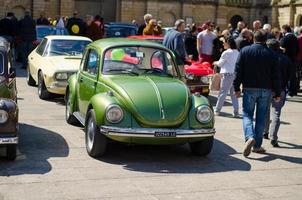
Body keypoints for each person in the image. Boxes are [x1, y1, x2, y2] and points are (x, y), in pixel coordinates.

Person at [234, 29, 281, 157]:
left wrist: (236, 88)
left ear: (253, 38)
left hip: (249, 88)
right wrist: (277, 93)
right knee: (261, 117)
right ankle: (257, 145)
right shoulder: (272, 54)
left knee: (247, 114)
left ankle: (249, 136)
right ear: (266, 40)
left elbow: (238, 70)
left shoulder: (245, 51)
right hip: (266, 89)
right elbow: (276, 75)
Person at [264, 39, 293, 147]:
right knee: (276, 113)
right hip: (280, 89)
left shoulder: (267, 58)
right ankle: (273, 137)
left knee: (265, 111)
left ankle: (265, 132)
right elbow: (290, 76)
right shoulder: (286, 59)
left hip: (267, 88)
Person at [213, 36, 239, 117]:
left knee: (222, 93)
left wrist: (214, 62)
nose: (223, 43)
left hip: (227, 75)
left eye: (224, 42)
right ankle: (236, 112)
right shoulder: (237, 52)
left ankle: (217, 110)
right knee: (233, 94)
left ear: (229, 43)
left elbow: (220, 64)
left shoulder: (226, 52)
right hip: (235, 75)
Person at [280, 24, 299, 97]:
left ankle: (289, 91)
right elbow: (297, 49)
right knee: (293, 76)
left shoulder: (285, 38)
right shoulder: (295, 37)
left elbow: (281, 49)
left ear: (285, 30)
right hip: (293, 58)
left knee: (286, 76)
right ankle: (293, 91)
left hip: (286, 59)